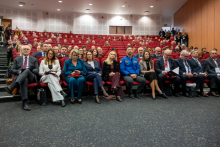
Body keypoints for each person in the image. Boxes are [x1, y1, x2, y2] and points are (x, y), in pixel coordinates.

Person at [4, 45, 39, 111]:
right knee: (24, 79)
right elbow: (12, 70)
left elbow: (37, 70)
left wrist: (29, 70)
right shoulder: (17, 59)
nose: (26, 50)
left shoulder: (34, 59)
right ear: (22, 51)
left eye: (27, 49)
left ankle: (12, 87)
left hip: (31, 77)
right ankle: (24, 102)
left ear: (29, 51)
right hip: (21, 77)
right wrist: (18, 71)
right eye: (24, 49)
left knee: (27, 70)